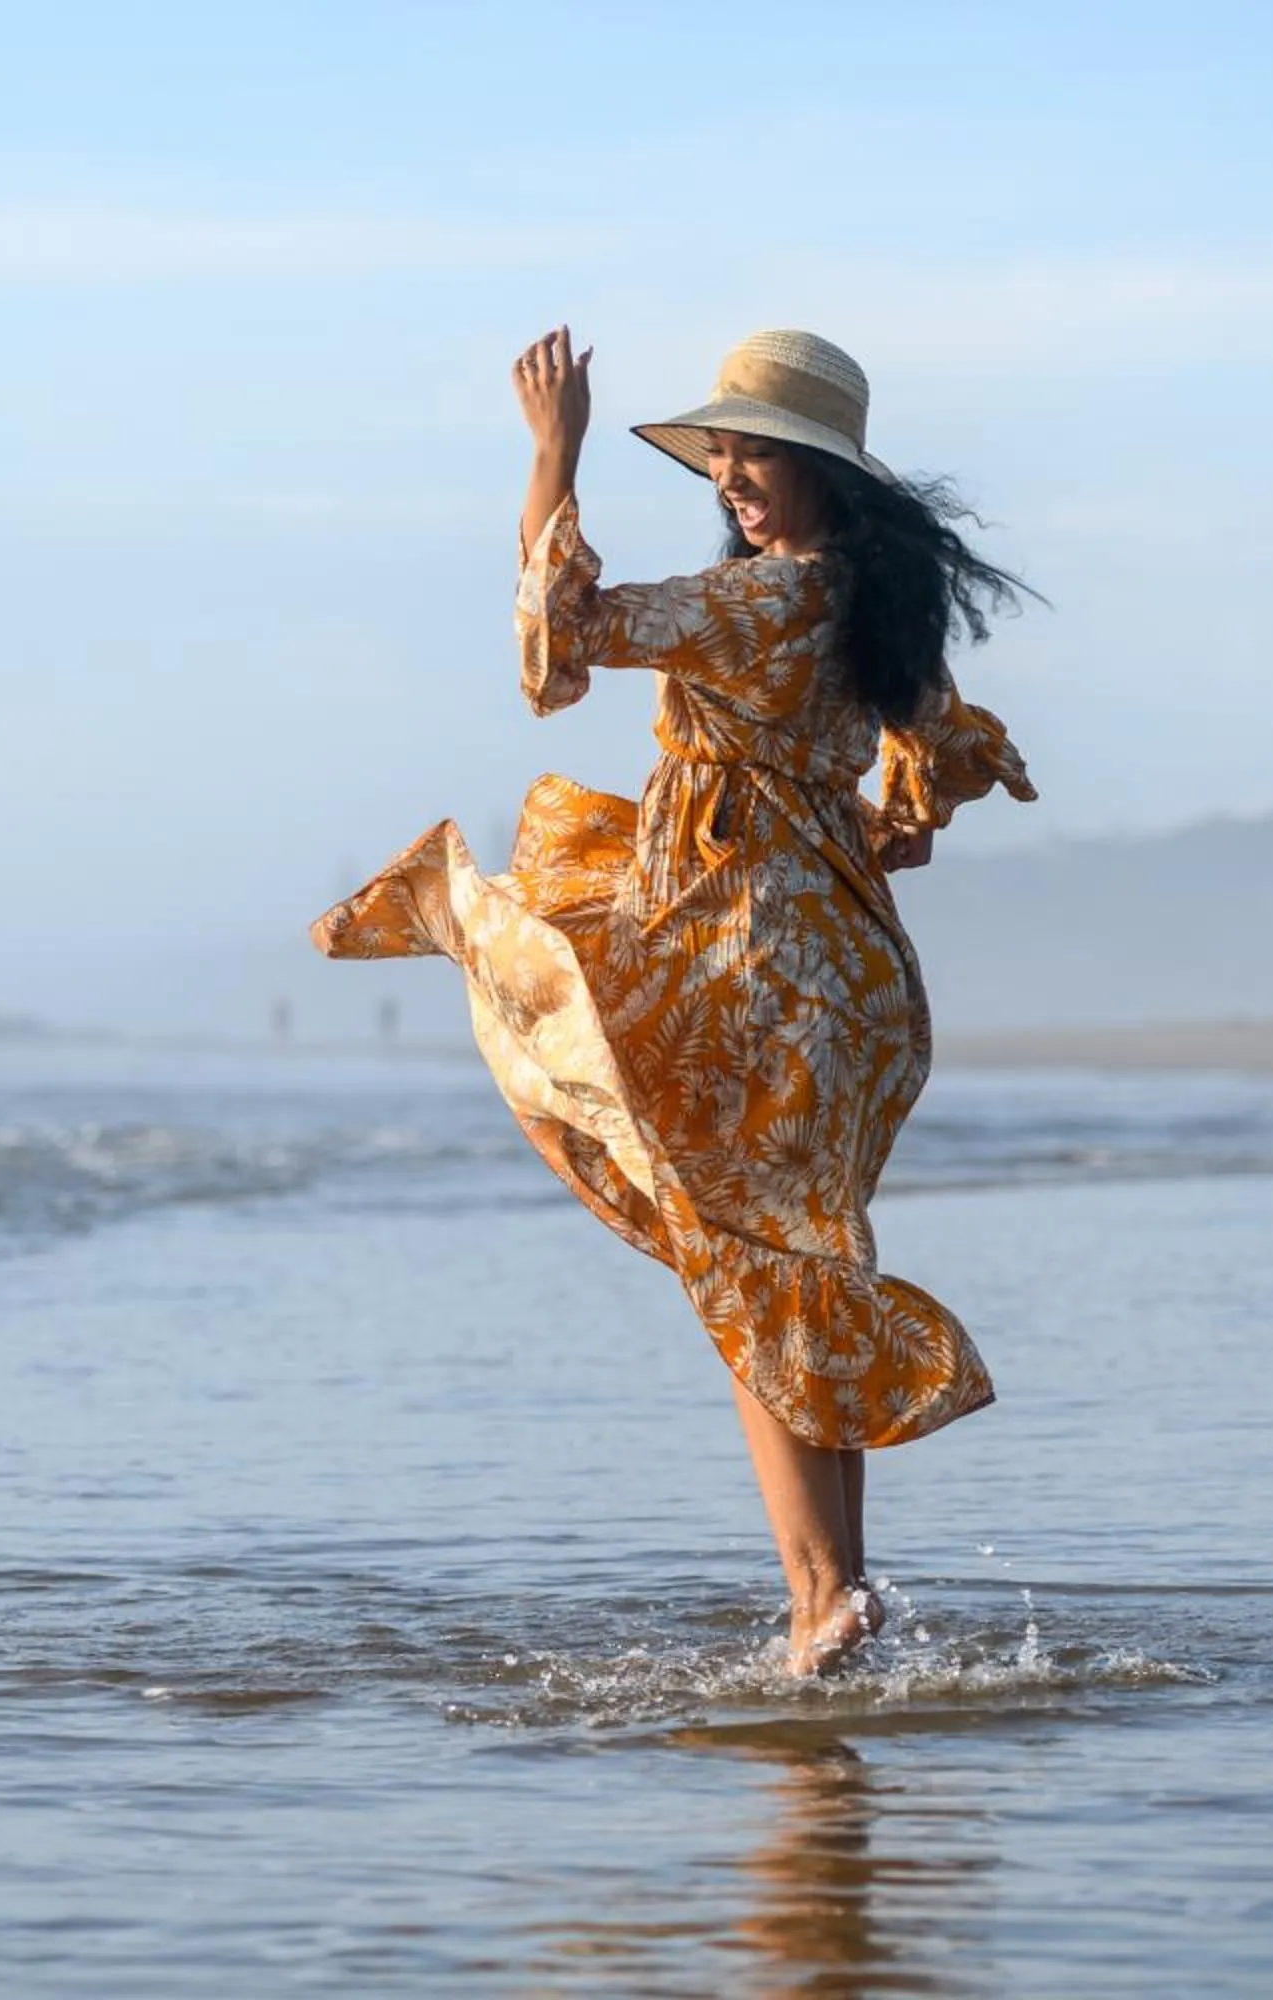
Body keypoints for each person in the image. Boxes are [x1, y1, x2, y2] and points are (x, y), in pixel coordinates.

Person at [311, 326, 1038, 1675]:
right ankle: (842, 1596)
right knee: (803, 1268)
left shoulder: (759, 605)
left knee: (748, 1275)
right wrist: (864, 817)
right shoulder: (881, 615)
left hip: (754, 961)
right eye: (723, 455)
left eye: (760, 455)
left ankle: (820, 1602)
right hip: (859, 983)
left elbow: (557, 653)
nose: (734, 478)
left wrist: (552, 454)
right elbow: (932, 775)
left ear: (830, 476)